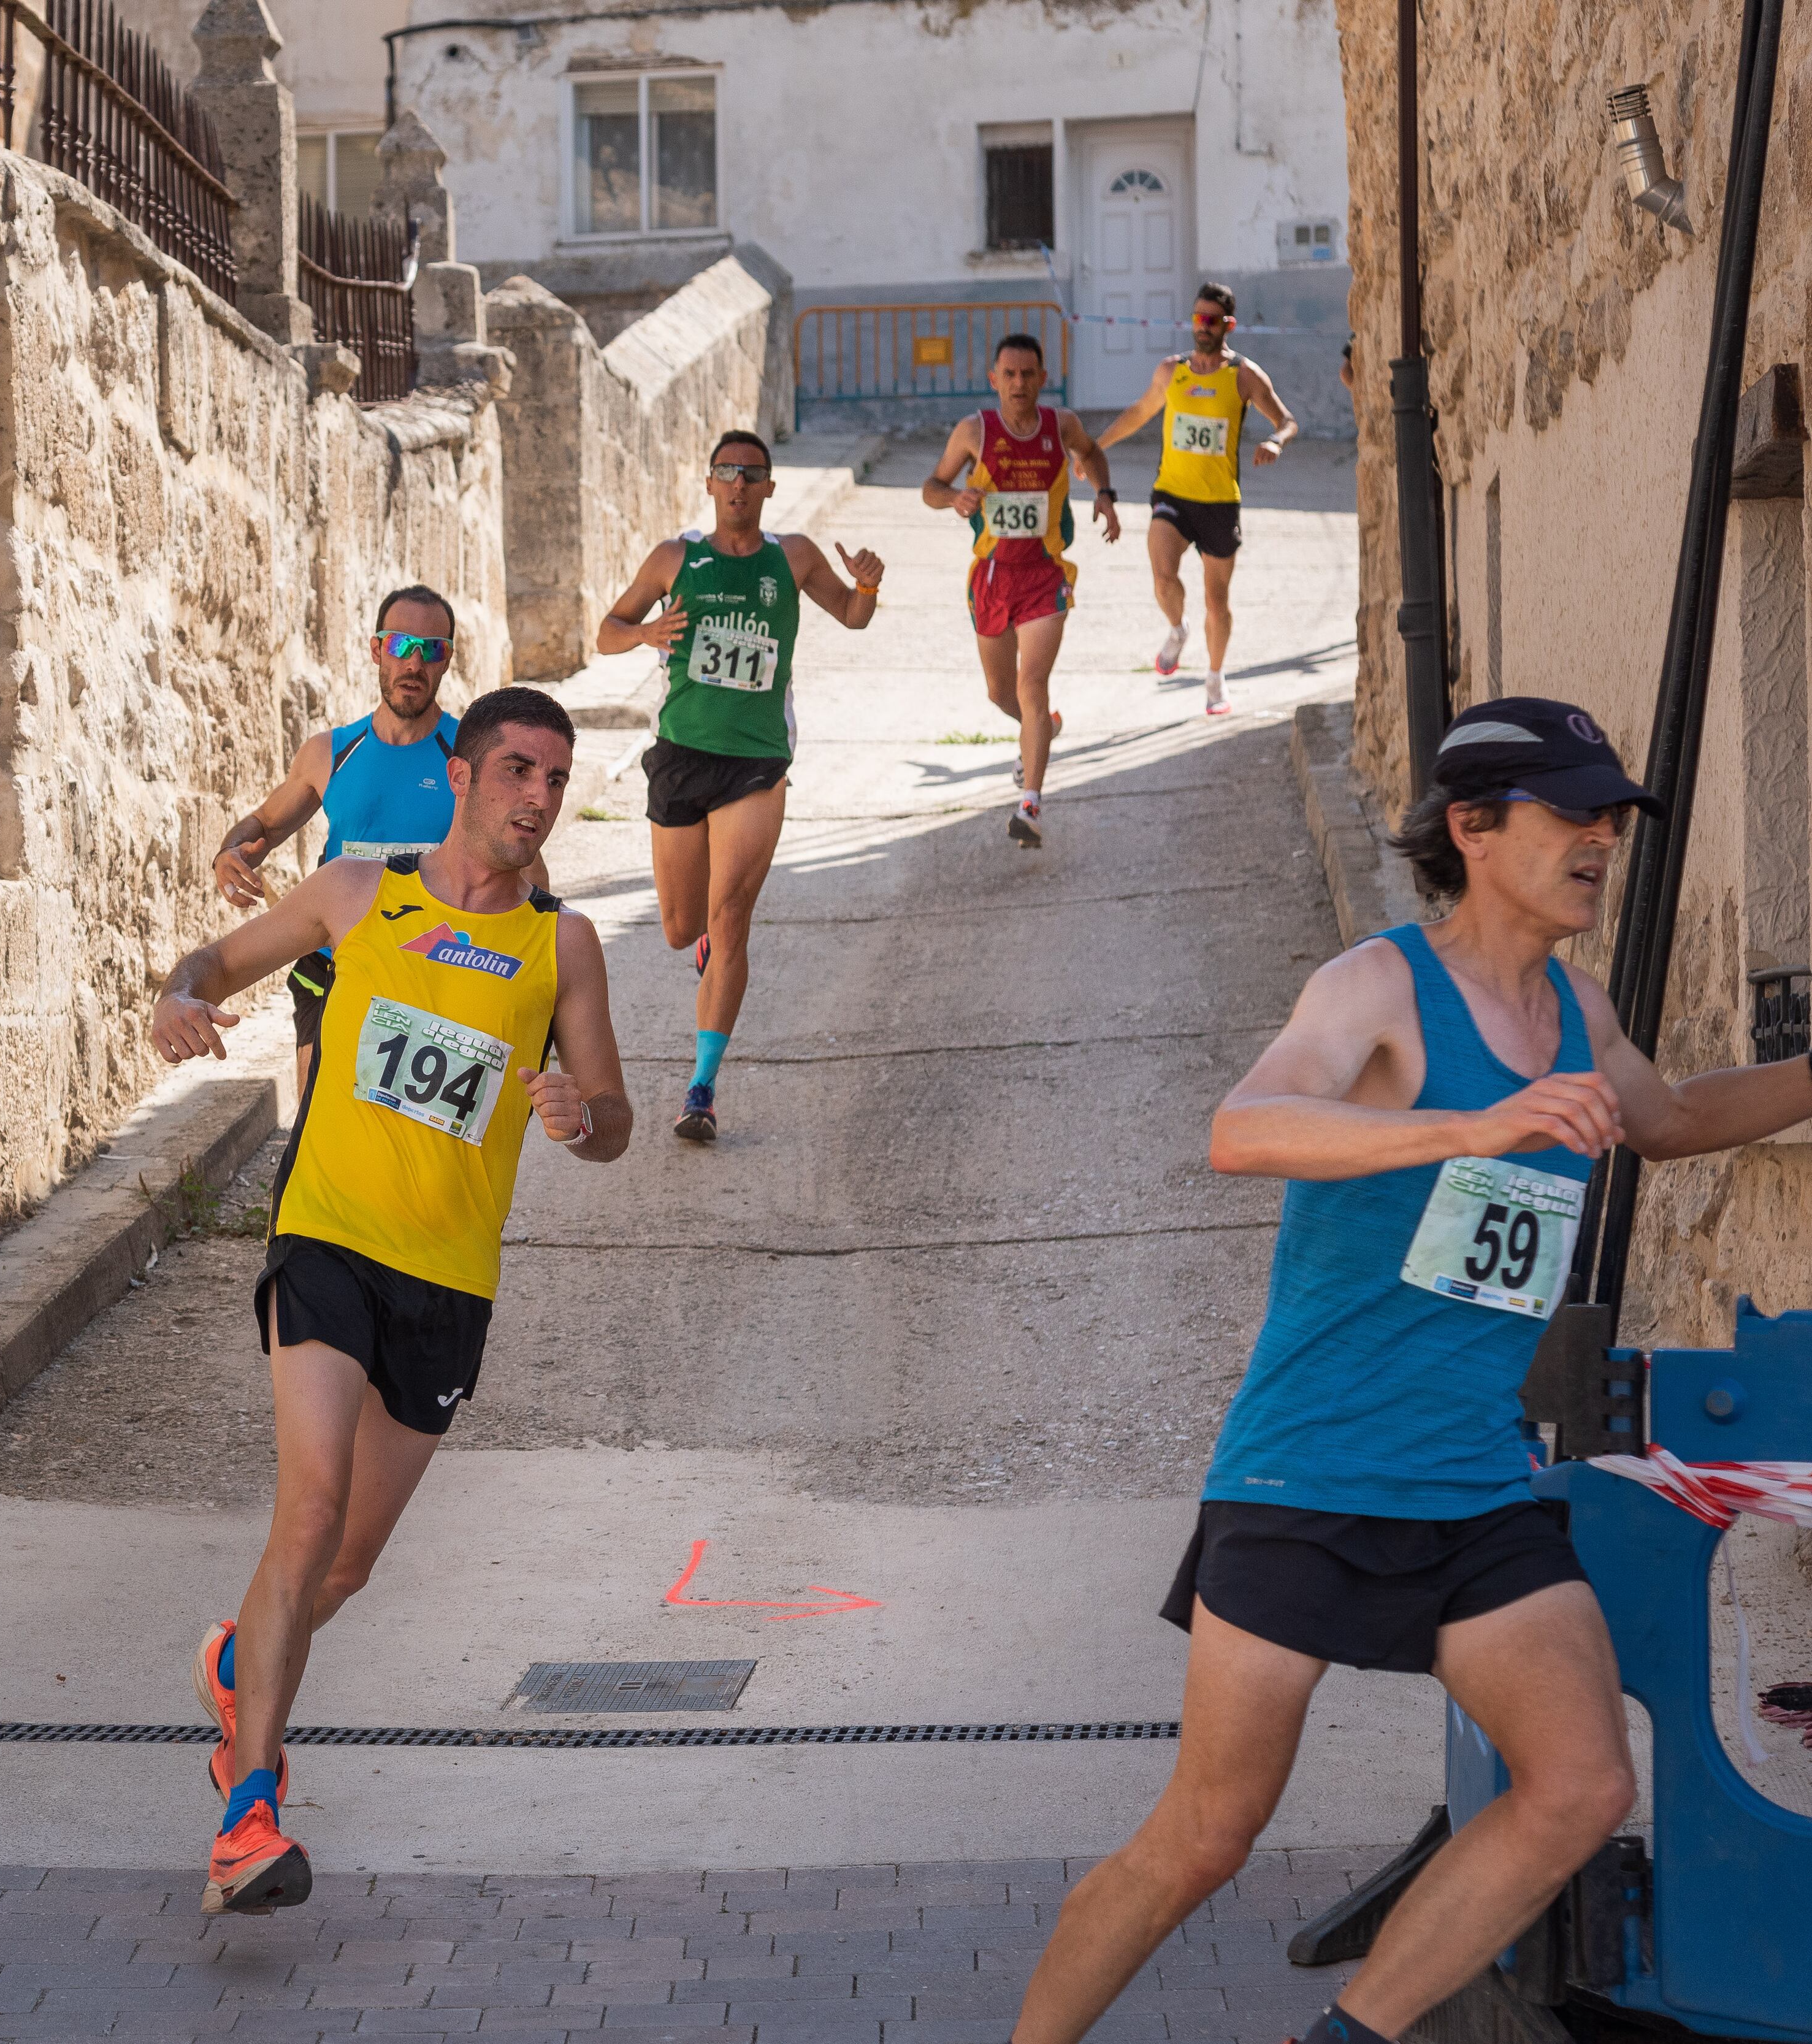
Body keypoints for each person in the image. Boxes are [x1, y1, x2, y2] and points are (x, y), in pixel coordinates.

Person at [1004, 698, 1812, 2044]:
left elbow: (1669, 1119)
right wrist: (1472, 1123)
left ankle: (1346, 2035)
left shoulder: (1577, 1009)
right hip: (1309, 1468)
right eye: (1572, 811)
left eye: (1611, 815)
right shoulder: (1376, 986)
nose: (1601, 837)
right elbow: (1243, 1126)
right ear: (1473, 828)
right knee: (1208, 1831)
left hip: (1473, 1482)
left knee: (1578, 1787)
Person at [151, 687, 631, 1916]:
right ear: (462, 776)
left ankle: (236, 1655)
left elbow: (613, 1116)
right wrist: (182, 990)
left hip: (449, 1283)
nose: (537, 796)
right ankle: (247, 1809)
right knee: (306, 1510)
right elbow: (217, 958)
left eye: (555, 780)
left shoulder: (561, 946)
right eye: (518, 769)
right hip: (328, 1237)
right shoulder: (362, 893)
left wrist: (584, 1120)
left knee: (346, 1563)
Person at [595, 431, 884, 1142]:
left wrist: (869, 585)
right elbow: (606, 630)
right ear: (709, 482)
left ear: (768, 488)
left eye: (751, 475)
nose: (738, 486)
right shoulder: (675, 557)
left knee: (729, 920)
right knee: (679, 928)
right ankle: (704, 949)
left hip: (755, 762)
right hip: (680, 756)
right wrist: (644, 634)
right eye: (727, 473)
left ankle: (700, 1088)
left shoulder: (792, 558)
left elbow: (851, 616)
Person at [213, 589, 469, 1099]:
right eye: (401, 644)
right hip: (332, 964)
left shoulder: (467, 755)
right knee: (315, 1117)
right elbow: (264, 824)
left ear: (447, 662)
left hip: (428, 969)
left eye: (431, 649)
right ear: (377, 650)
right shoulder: (329, 753)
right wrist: (231, 853)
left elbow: (527, 874)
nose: (413, 662)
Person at [920, 334, 1122, 849]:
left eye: (1028, 374)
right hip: (992, 576)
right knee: (1000, 691)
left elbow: (1093, 452)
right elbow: (931, 486)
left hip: (1045, 574)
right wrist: (954, 500)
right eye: (1009, 375)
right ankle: (1044, 728)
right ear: (994, 380)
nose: (1019, 383)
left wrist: (1104, 493)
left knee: (1032, 685)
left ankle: (1030, 803)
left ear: (1042, 379)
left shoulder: (1063, 426)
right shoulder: (974, 431)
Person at [1093, 282, 1299, 718]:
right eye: (1197, 318)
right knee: (1164, 578)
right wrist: (1097, 447)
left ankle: (1215, 678)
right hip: (1172, 494)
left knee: (1216, 600)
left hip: (1220, 502)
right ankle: (1177, 628)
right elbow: (1139, 412)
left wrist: (1277, 441)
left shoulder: (1244, 375)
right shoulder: (1172, 370)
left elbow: (1287, 419)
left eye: (1211, 320)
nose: (1202, 327)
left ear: (1229, 325)